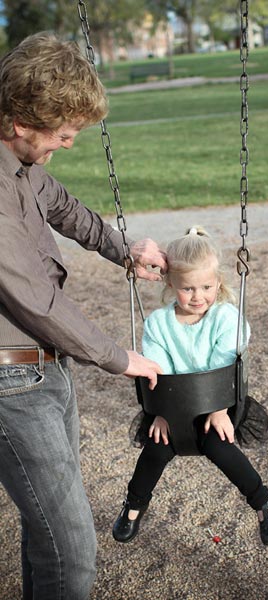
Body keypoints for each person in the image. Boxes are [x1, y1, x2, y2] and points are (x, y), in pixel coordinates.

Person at [0, 32, 167, 599]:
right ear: (22, 122)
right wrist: (119, 357)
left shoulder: (22, 166)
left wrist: (124, 248)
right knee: (71, 549)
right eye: (64, 134)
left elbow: (63, 206)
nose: (69, 144)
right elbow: (34, 300)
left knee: (46, 534)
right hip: (10, 381)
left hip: (43, 371)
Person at [112, 226, 268, 548]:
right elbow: (155, 368)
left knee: (220, 447)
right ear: (170, 284)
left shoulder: (225, 317)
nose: (198, 296)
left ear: (217, 283)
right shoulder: (159, 325)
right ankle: (134, 503)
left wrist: (219, 409)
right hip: (170, 408)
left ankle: (264, 503)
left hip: (217, 405)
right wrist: (161, 413)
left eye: (206, 286)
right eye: (188, 289)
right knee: (155, 449)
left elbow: (224, 362)